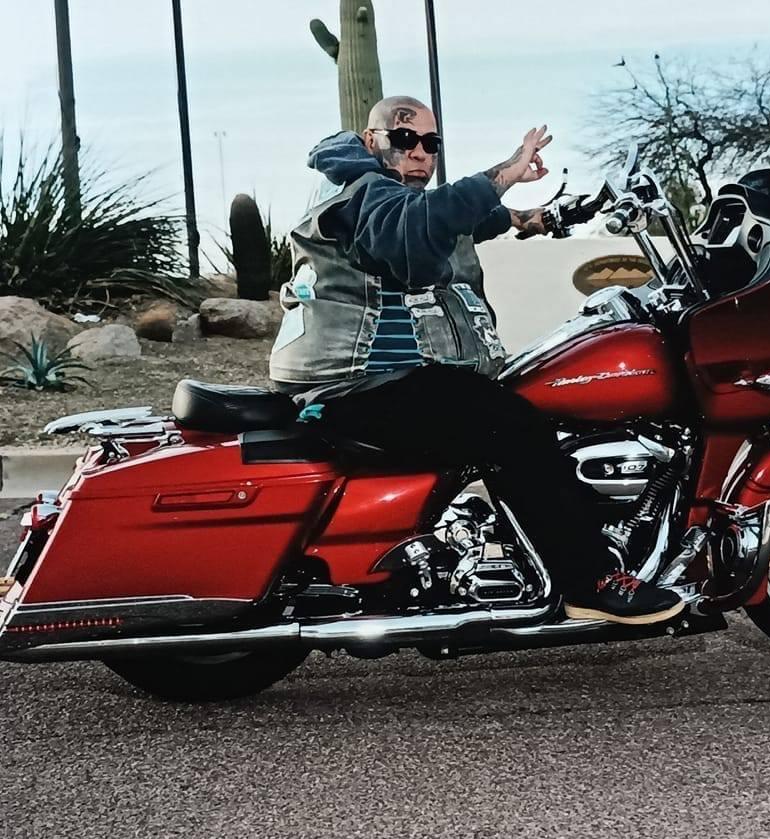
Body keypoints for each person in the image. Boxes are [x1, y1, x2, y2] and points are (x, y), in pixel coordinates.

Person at [268, 95, 683, 626]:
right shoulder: (359, 187)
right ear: (371, 141)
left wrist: (536, 217)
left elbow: (462, 222)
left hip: (373, 385)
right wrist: (503, 173)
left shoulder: (382, 193)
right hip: (350, 388)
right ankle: (589, 581)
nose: (420, 152)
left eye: (431, 142)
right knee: (513, 426)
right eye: (405, 138)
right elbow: (414, 226)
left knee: (514, 406)